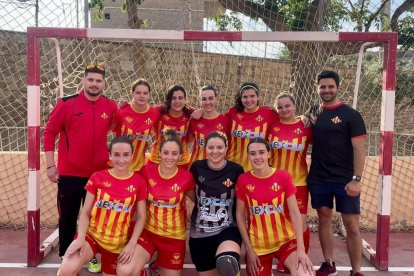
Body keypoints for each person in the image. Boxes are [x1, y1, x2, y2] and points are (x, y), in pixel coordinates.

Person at [43, 64, 118, 273]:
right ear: (84, 81)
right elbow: (49, 133)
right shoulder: (67, 104)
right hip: (69, 175)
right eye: (91, 80)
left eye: (99, 80)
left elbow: (127, 123)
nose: (94, 84)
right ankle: (65, 257)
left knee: (96, 219)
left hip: (100, 175)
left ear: (104, 83)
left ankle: (90, 255)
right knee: (68, 218)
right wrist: (50, 165)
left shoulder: (111, 106)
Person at [306, 70, 366, 276]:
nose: (327, 90)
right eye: (323, 87)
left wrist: (356, 179)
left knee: (351, 226)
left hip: (345, 180)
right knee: (324, 219)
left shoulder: (351, 115)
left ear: (337, 87)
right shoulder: (314, 113)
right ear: (317, 88)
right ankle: (328, 263)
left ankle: (356, 271)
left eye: (330, 86)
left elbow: (359, 149)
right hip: (319, 178)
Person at [59, 136, 147, 276]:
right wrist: (80, 238)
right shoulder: (97, 177)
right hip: (92, 237)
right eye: (116, 155)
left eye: (126, 155)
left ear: (132, 156)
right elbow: (86, 211)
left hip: (117, 243)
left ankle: (141, 273)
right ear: (110, 156)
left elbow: (142, 217)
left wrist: (132, 243)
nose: (121, 159)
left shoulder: (139, 182)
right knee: (66, 269)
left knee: (125, 271)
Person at [117, 129, 195, 276]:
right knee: (124, 271)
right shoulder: (147, 171)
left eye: (174, 153)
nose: (169, 157)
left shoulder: (186, 177)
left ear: (180, 155)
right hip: (149, 233)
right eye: (166, 152)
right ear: (159, 153)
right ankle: (144, 273)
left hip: (174, 237)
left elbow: (197, 200)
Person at [235, 138, 315, 276]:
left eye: (261, 152)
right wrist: (249, 250)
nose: (257, 157)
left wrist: (301, 250)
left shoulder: (283, 176)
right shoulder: (243, 180)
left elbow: (295, 213)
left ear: (269, 154)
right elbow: (239, 216)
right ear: (248, 156)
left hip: (286, 242)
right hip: (259, 246)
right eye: (253, 153)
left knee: (305, 274)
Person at [189, 131, 244, 276]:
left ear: (226, 148)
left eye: (219, 147)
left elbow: (240, 205)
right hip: (200, 233)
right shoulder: (196, 167)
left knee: (227, 263)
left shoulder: (236, 170)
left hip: (227, 228)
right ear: (205, 148)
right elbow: (191, 194)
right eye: (211, 147)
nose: (215, 151)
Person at [268, 92, 312, 272]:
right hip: (273, 183)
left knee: (299, 224)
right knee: (276, 221)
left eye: (287, 106)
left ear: (294, 106)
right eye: (280, 107)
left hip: (298, 182)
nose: (284, 109)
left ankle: (301, 260)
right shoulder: (271, 125)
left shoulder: (306, 126)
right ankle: (280, 256)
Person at [225, 82, 278, 171]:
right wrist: (201, 111)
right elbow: (217, 120)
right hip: (232, 167)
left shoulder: (269, 114)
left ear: (258, 97)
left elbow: (287, 120)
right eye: (245, 97)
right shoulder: (233, 112)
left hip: (257, 169)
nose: (249, 100)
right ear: (240, 98)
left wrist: (302, 117)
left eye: (252, 96)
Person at [113, 78, 160, 171]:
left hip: (140, 167)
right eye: (138, 93)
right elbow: (107, 129)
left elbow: (158, 132)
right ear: (132, 93)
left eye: (145, 93)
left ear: (149, 95)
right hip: (119, 166)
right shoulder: (121, 111)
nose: (142, 96)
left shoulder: (154, 113)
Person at [147, 84, 193, 170]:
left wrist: (201, 111)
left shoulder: (190, 116)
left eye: (180, 98)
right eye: (173, 98)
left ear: (185, 100)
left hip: (181, 161)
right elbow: (142, 112)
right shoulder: (159, 113)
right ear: (169, 100)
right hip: (157, 160)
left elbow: (191, 138)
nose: (177, 101)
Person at [188, 86, 229, 164]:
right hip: (197, 167)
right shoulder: (194, 119)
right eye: (204, 99)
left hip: (217, 168)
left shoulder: (225, 120)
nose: (207, 102)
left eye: (211, 98)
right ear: (200, 101)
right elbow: (188, 141)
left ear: (216, 99)